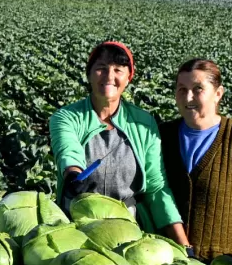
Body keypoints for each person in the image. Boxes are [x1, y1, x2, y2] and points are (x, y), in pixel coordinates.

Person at [49, 41, 190, 250]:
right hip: (75, 231)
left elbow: (157, 187)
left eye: (118, 70)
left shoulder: (143, 123)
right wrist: (73, 175)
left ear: (128, 78)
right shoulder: (67, 117)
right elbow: (67, 150)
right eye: (101, 68)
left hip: (129, 233)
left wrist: (183, 244)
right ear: (89, 75)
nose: (109, 76)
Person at [160, 58, 232, 260]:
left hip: (222, 263)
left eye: (198, 89)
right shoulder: (162, 135)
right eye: (182, 89)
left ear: (218, 94)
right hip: (167, 262)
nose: (188, 97)